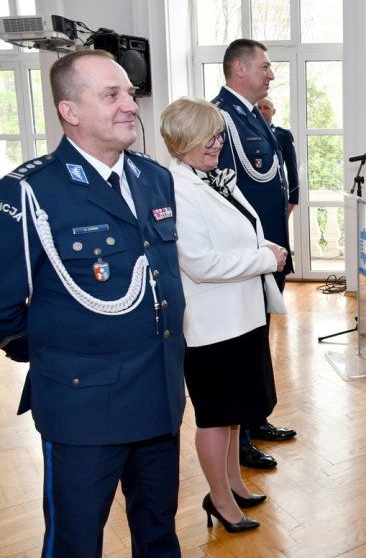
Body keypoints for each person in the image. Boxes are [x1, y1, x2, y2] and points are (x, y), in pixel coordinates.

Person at [0, 50, 185, 557]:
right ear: (70, 111)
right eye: (112, 95)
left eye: (129, 92)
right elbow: (3, 309)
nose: (131, 104)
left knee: (159, 533)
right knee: (76, 544)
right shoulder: (31, 192)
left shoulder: (154, 178)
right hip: (84, 410)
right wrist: (65, 355)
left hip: (158, 398)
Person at [161, 97, 289, 533]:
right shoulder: (177, 187)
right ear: (182, 140)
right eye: (209, 136)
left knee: (236, 411)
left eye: (218, 134)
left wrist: (262, 250)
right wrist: (264, 258)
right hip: (212, 326)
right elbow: (199, 263)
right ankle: (218, 499)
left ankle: (234, 481)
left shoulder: (214, 178)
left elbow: (237, 235)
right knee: (216, 418)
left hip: (243, 316)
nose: (217, 143)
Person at [213, 39, 296, 469]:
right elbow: (222, 193)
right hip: (246, 256)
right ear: (240, 69)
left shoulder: (251, 116)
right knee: (243, 345)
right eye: (265, 67)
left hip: (268, 252)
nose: (271, 74)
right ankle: (239, 438)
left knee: (259, 338)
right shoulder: (219, 118)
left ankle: (256, 416)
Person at [257, 97, 299, 217]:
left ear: (273, 112)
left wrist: (292, 201)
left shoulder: (283, 135)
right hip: (253, 196)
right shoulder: (246, 134)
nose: (262, 111)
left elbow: (292, 171)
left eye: (266, 108)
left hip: (276, 196)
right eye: (258, 108)